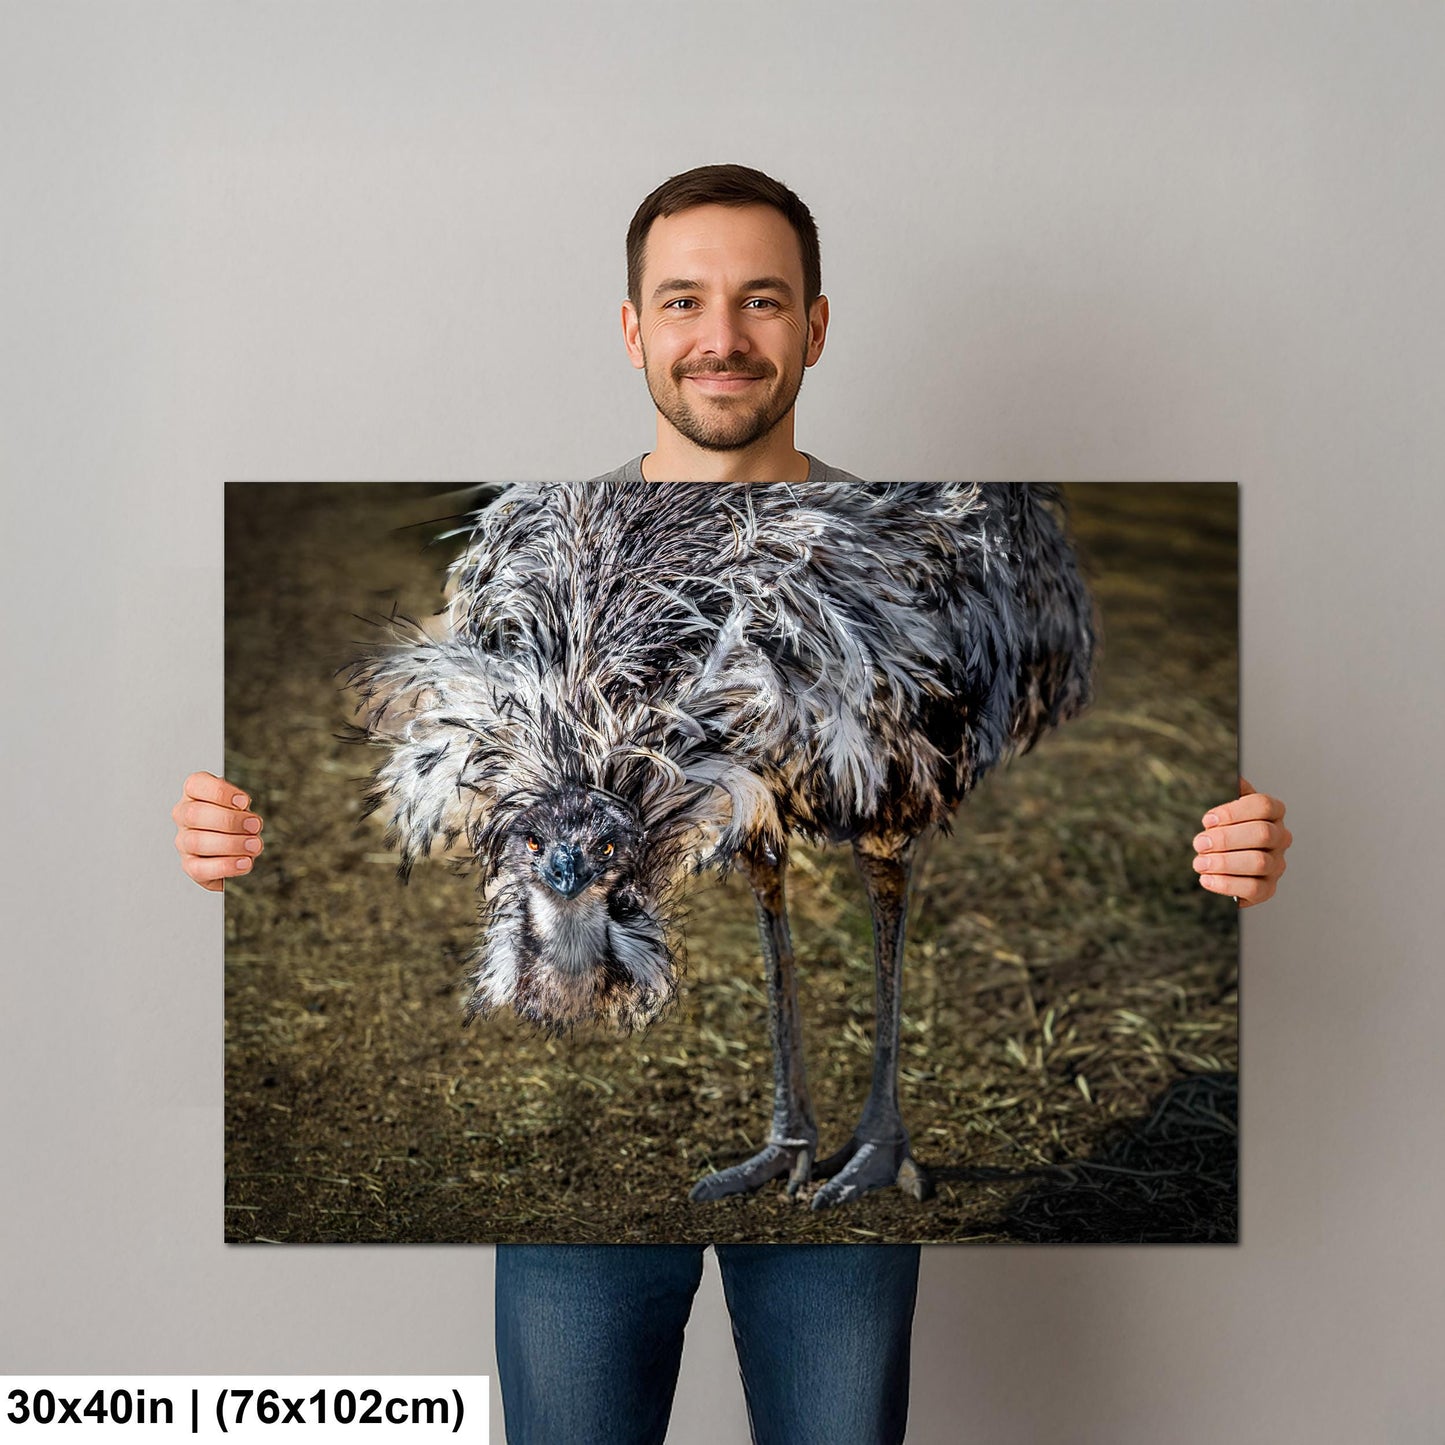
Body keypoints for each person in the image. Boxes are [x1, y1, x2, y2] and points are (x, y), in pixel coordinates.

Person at [172, 166, 1293, 1444]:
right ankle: (788, 1120)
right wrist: (218, 842)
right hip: (584, 1232)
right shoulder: (533, 543)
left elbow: (947, 753)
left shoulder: (923, 532)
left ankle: (870, 1121)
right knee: (760, 852)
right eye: (683, 300)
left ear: (813, 325)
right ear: (632, 327)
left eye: (760, 300)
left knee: (878, 844)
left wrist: (1235, 852)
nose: (721, 335)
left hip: (865, 730)